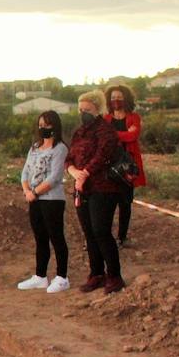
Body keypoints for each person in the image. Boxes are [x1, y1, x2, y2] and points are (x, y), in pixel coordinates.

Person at [66, 91, 124, 293]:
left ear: (98, 109)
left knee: (101, 230)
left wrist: (85, 174)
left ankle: (114, 275)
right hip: (82, 188)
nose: (83, 113)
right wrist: (74, 172)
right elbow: (69, 157)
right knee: (89, 232)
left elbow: (102, 155)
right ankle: (96, 274)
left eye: (87, 109)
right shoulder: (79, 132)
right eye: (80, 109)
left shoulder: (106, 131)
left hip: (104, 188)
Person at [16, 110, 70, 293]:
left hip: (52, 199)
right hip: (34, 199)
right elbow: (25, 172)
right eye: (40, 125)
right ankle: (40, 276)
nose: (43, 128)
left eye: (46, 125)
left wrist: (35, 192)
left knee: (56, 237)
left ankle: (62, 277)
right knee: (40, 238)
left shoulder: (60, 148)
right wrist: (27, 191)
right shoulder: (34, 147)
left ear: (55, 126)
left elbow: (54, 177)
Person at [104, 84, 145, 248]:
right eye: (113, 97)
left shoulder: (134, 117)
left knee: (125, 203)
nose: (116, 100)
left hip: (128, 165)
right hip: (109, 165)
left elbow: (133, 136)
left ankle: (122, 237)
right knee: (108, 202)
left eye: (119, 97)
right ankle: (105, 237)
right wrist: (123, 134)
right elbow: (106, 138)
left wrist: (113, 135)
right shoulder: (106, 119)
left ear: (126, 98)